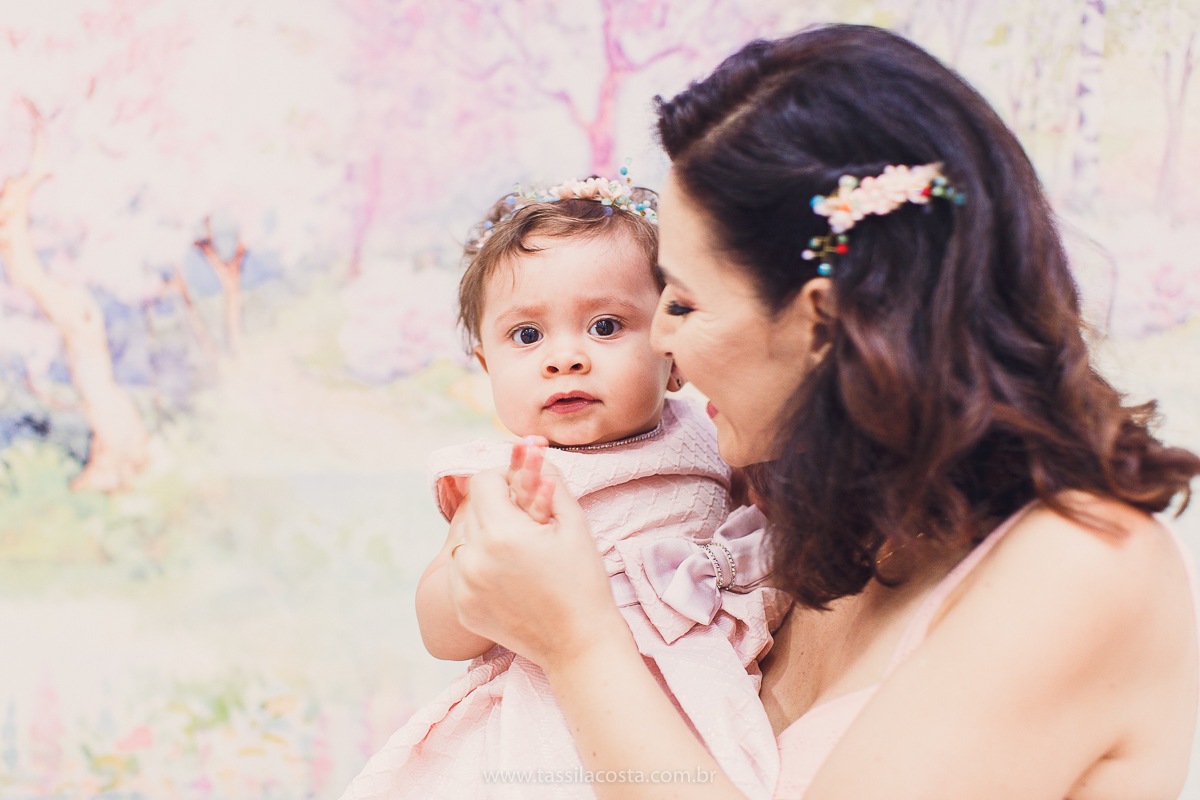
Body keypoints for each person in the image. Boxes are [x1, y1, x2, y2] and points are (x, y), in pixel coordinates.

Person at [443, 25, 1200, 800]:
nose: (660, 336)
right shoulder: (784, 529)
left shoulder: (1083, 568)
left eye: (684, 300)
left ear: (825, 324)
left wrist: (579, 645)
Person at [340, 177, 791, 800]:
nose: (565, 358)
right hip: (544, 710)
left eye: (606, 326)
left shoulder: (715, 436)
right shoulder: (504, 481)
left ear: (673, 353)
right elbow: (441, 632)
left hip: (699, 696)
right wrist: (484, 564)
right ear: (486, 366)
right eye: (527, 336)